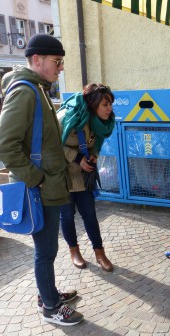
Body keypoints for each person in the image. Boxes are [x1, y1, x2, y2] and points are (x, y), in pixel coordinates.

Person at [0, 34, 83, 326]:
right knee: (46, 251)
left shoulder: (38, 89)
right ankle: (51, 308)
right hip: (40, 189)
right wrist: (37, 178)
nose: (61, 68)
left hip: (48, 186)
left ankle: (48, 294)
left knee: (48, 249)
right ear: (36, 60)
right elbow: (3, 144)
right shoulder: (25, 92)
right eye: (57, 62)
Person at [57, 84, 115, 272]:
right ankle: (74, 251)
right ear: (93, 104)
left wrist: (94, 155)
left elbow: (97, 141)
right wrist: (78, 158)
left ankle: (100, 253)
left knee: (89, 214)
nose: (110, 109)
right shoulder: (68, 118)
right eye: (105, 105)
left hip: (84, 176)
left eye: (110, 104)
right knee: (66, 215)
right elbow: (51, 144)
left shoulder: (100, 122)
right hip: (63, 176)